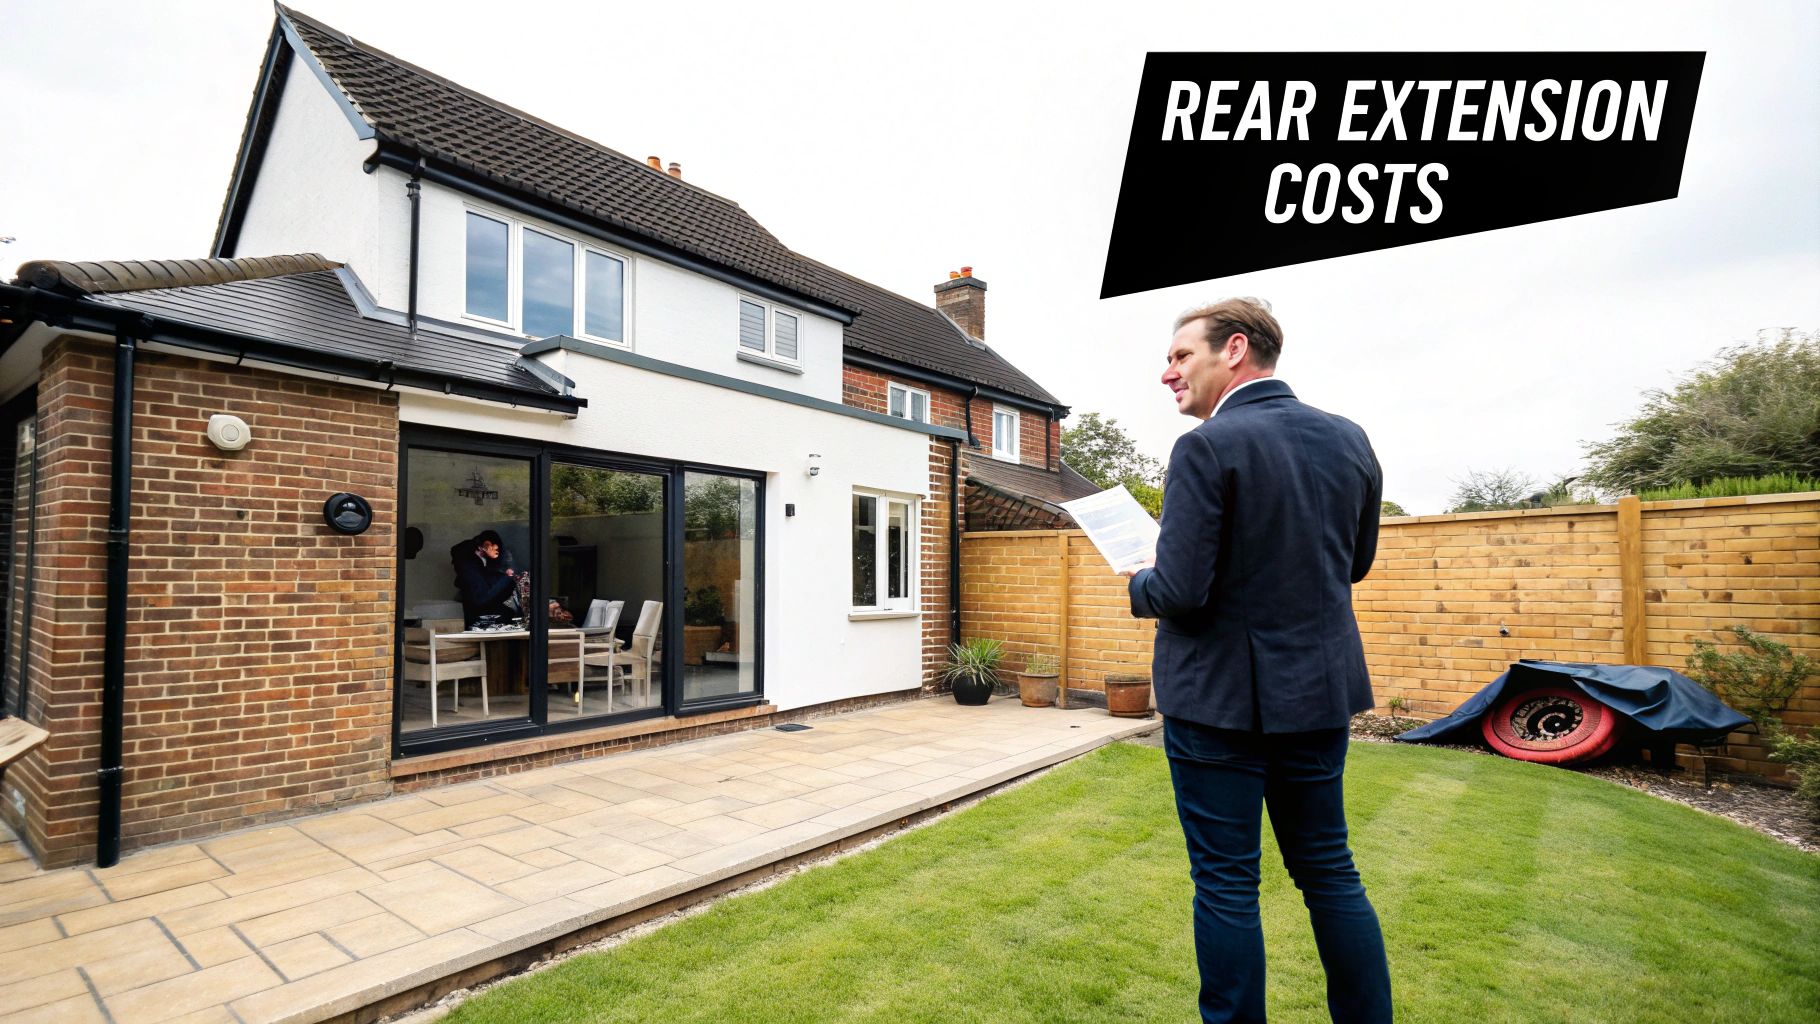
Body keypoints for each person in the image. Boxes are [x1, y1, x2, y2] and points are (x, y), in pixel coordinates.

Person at [1124, 298, 1391, 1024]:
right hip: (1317, 696)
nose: (1167, 372)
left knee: (1227, 886)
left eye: (1180, 356)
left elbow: (1179, 589)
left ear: (1234, 349)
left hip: (1216, 707)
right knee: (1331, 874)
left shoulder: (1206, 447)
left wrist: (1139, 580)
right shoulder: (1350, 439)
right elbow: (1354, 563)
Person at [452, 529, 517, 627]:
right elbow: (480, 597)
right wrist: (506, 579)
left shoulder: (482, 563)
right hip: (480, 620)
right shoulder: (468, 564)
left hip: (487, 618)